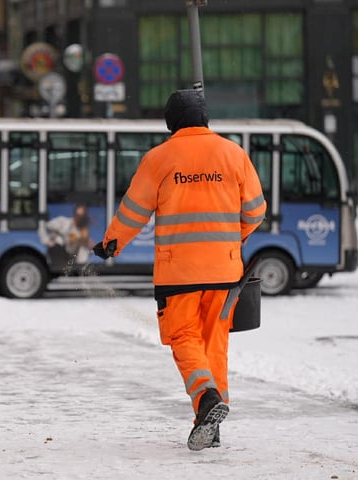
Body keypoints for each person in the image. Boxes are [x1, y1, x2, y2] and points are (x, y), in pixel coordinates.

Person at [93, 89, 266, 451]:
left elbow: (133, 210)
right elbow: (255, 210)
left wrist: (112, 243)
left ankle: (206, 399)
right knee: (214, 346)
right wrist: (232, 240)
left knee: (184, 340)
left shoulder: (160, 158)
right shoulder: (233, 153)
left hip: (179, 275)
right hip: (224, 271)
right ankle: (211, 426)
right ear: (205, 117)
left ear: (171, 122)